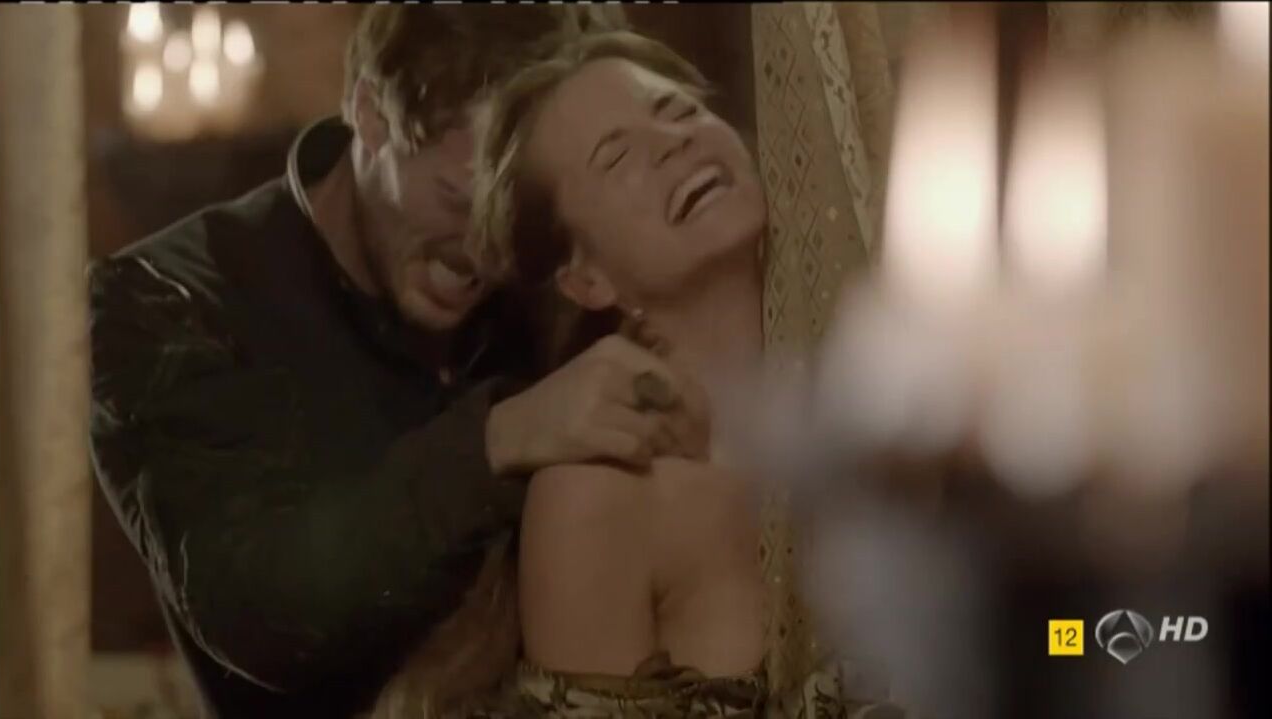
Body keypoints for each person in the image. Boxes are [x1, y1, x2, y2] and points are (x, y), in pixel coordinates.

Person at [87, 8, 709, 718]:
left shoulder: (552, 272)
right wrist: (500, 438)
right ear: (369, 114)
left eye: (515, 210)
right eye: (458, 196)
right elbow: (261, 612)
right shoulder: (166, 299)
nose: (489, 251)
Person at [373, 31, 904, 718]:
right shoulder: (599, 497)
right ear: (586, 278)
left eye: (678, 111)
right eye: (617, 156)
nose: (672, 143)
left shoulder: (883, 380)